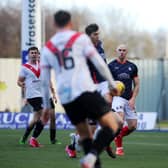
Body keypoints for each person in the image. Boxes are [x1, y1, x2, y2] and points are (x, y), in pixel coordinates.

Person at [40, 10, 123, 168]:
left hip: (66, 98)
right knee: (112, 124)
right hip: (85, 90)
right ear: (70, 23)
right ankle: (92, 156)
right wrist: (112, 83)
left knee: (85, 135)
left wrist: (45, 105)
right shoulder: (80, 39)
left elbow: (44, 80)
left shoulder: (48, 48)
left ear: (54, 24)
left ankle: (90, 160)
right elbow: (99, 63)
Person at [65, 23, 116, 159]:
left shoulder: (100, 45)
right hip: (90, 86)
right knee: (90, 129)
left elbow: (103, 64)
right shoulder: (81, 48)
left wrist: (111, 83)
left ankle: (103, 137)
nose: (98, 36)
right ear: (88, 36)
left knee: (110, 108)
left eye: (98, 34)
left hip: (102, 83)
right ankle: (72, 145)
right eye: (95, 34)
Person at [17, 47, 60, 147]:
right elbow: (19, 81)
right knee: (46, 115)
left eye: (35, 53)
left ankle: (52, 139)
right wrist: (21, 84)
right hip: (33, 95)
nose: (34, 54)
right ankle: (33, 139)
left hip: (45, 94)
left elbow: (48, 80)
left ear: (38, 54)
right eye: (32, 53)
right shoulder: (25, 67)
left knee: (47, 117)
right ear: (28, 55)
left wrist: (53, 93)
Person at [108, 44, 140, 156]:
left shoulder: (132, 66)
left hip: (129, 99)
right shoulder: (111, 66)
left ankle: (118, 136)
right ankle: (119, 148)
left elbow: (137, 84)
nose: (122, 52)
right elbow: (106, 83)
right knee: (120, 121)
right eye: (120, 50)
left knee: (133, 126)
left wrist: (133, 99)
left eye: (124, 50)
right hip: (117, 98)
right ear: (116, 51)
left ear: (127, 52)